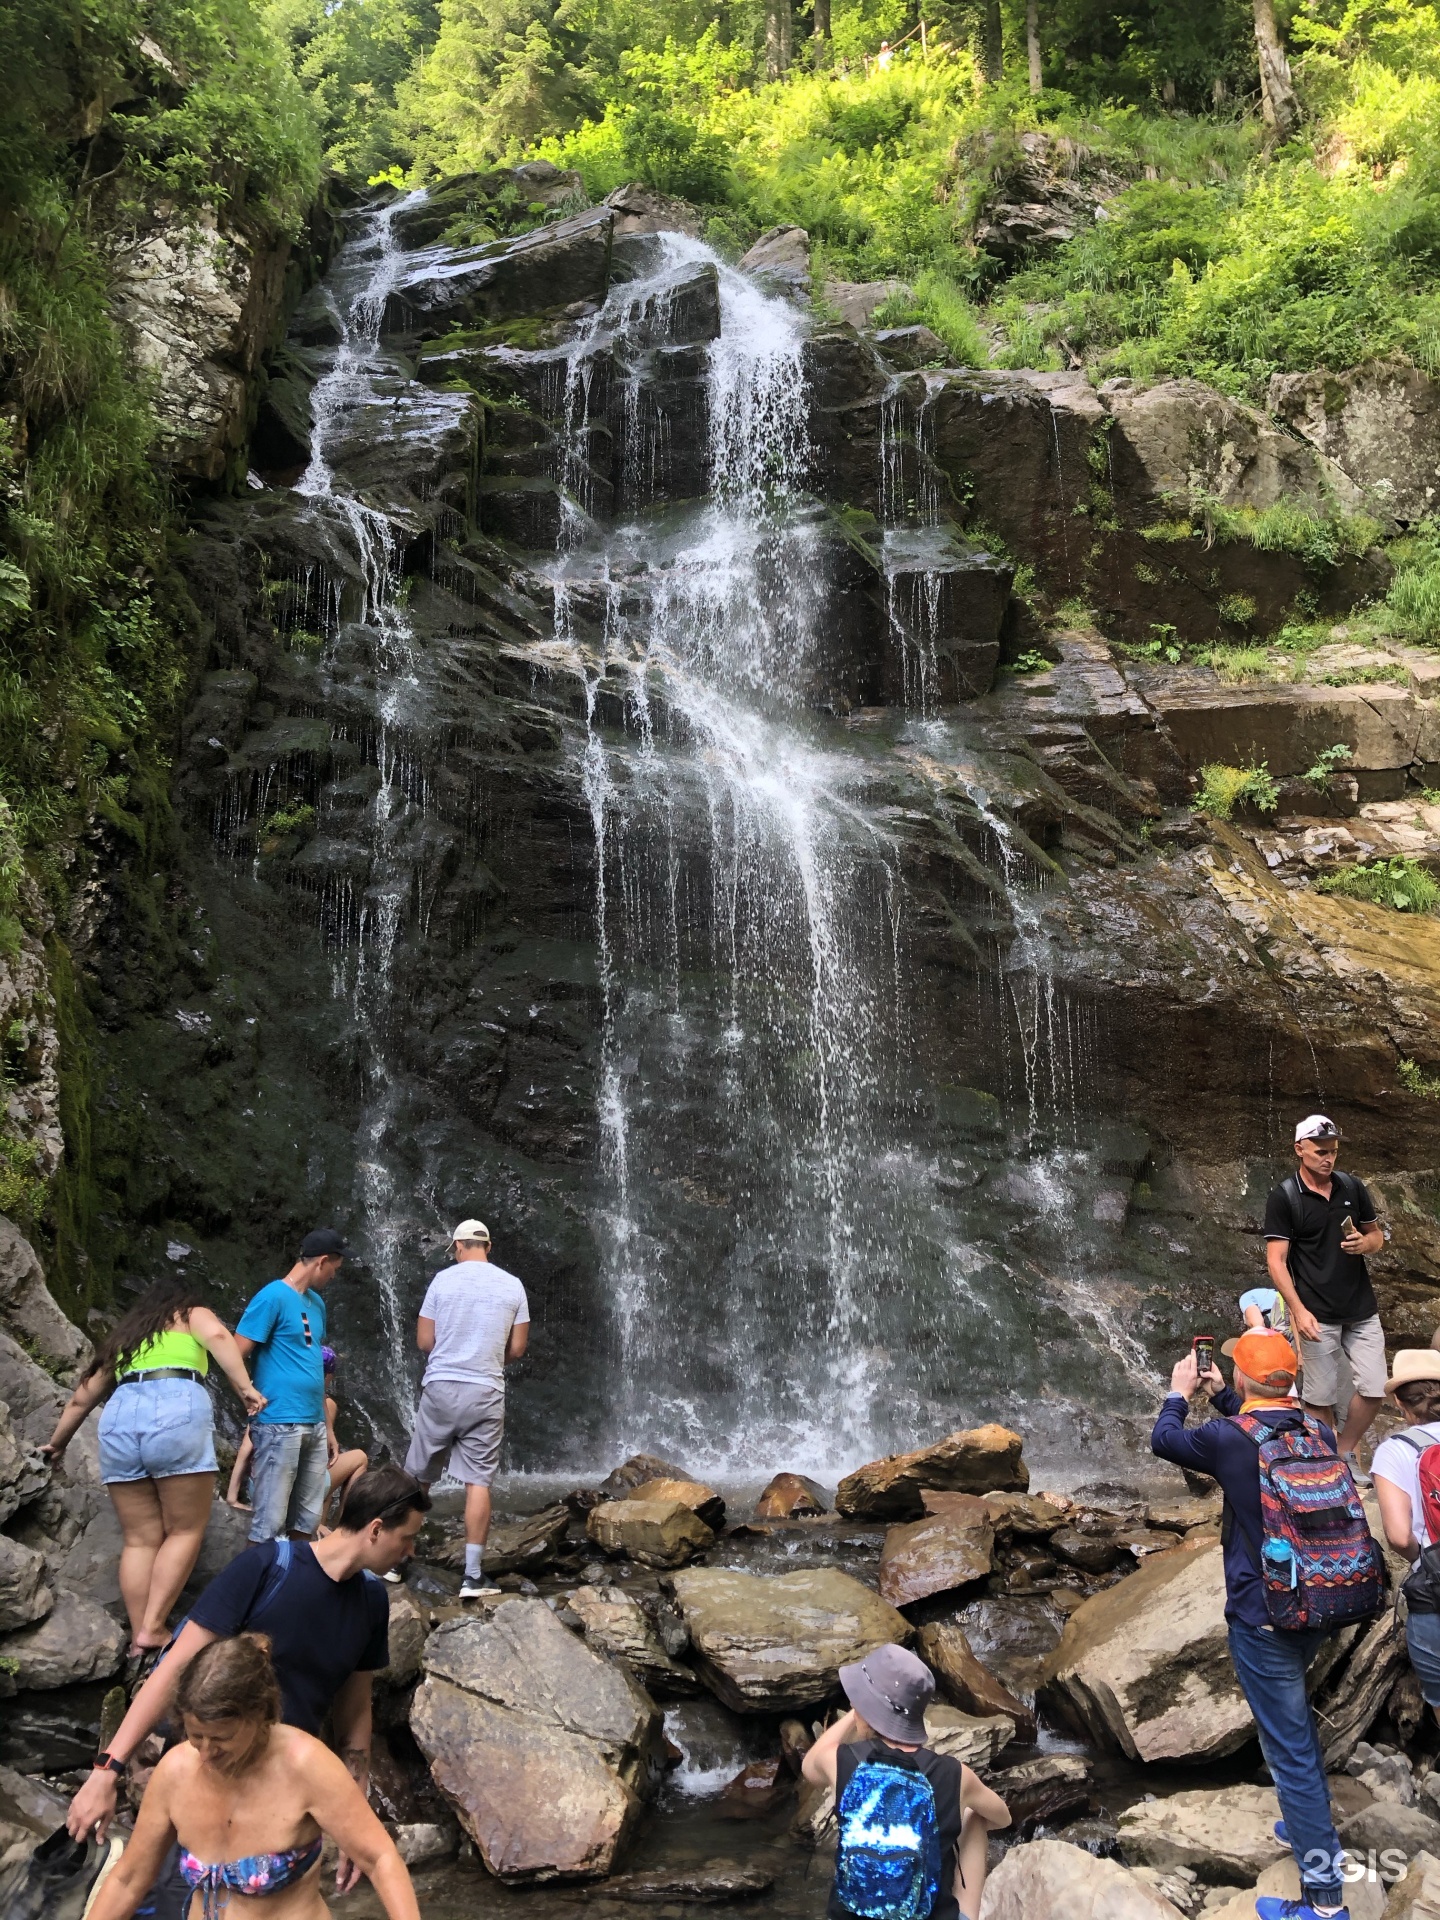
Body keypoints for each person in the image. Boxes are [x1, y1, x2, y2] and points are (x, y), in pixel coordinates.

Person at [66, 1464, 430, 1905]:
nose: (409, 1551)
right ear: (375, 1529)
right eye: (406, 1537)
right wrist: (107, 1771)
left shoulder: (372, 1601)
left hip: (283, 1786)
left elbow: (354, 1711)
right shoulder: (267, 1568)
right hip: (204, 1769)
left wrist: (356, 1816)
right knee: (157, 1896)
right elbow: (174, 1670)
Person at [1153, 1329, 1353, 1920]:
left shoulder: (1228, 1437)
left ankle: (1324, 1903)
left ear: (1241, 1377)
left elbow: (1165, 1441)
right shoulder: (1316, 1428)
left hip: (1262, 1612)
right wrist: (1223, 1398)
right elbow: (1255, 1429)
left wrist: (1179, 1391)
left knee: (1288, 1747)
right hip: (1321, 1601)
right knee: (1291, 1729)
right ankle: (1303, 1822)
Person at [84, 1633, 421, 1920]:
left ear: (261, 1714)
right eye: (194, 1736)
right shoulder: (175, 1771)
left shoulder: (306, 1765)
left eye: (221, 1739)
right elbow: (129, 1880)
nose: (205, 1752)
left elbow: (380, 1859)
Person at [39, 1278, 265, 1659]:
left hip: (119, 1417)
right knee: (185, 1529)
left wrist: (57, 1444)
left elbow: (82, 1398)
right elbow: (222, 1339)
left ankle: (139, 1638)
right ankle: (154, 1628)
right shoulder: (192, 1314)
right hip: (176, 1408)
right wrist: (244, 1388)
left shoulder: (129, 1336)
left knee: (140, 1539)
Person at [800, 1643, 1010, 1920]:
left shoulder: (841, 1762)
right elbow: (1002, 1818)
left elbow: (809, 1768)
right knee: (974, 1815)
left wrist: (858, 1711)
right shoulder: (955, 1774)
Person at [404, 1217, 528, 1601]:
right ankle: (473, 1577)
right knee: (478, 1481)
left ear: (457, 1247)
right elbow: (518, 1348)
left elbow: (425, 1340)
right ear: (487, 1247)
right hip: (485, 1390)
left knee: (419, 1475)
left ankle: (397, 1559)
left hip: (441, 1386)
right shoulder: (512, 1285)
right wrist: (486, 1359)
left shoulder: (442, 1281)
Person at [1263, 1114, 1386, 1473]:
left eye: (1332, 1151)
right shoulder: (1285, 1196)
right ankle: (1327, 1460)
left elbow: (1376, 1236)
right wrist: (1298, 1311)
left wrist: (1366, 1243)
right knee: (1319, 1396)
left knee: (1376, 1387)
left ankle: (1343, 1449)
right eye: (1320, 1151)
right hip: (1316, 1311)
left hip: (1361, 1307)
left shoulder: (1352, 1187)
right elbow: (1276, 1262)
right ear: (1299, 1149)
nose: (1328, 1158)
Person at [235, 1229, 348, 1543]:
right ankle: (259, 1587)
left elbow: (311, 1363)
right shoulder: (272, 1297)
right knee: (269, 1523)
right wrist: (247, 1392)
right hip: (279, 1422)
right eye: (334, 1269)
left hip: (313, 1424)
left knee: (307, 1521)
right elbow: (235, 1351)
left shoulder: (316, 1304)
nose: (334, 1277)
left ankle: (293, 1586)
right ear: (322, 1262)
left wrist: (328, 1427)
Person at [1370, 1350, 1440, 1723]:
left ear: (1398, 1401)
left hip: (1434, 1590)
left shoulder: (1396, 1450)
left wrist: (1421, 1559)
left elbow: (1398, 1536)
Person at [226, 1348, 370, 1530]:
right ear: (326, 1376)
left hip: (262, 1490)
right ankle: (342, 1531)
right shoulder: (326, 1405)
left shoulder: (270, 1394)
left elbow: (246, 1448)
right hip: (296, 1492)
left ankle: (316, 1526)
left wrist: (232, 1498)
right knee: (357, 1459)